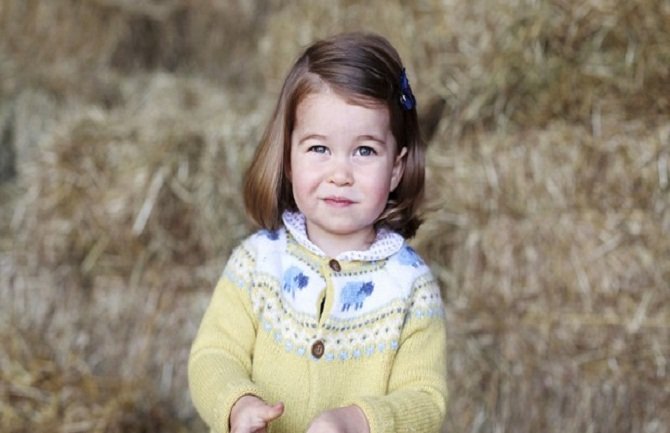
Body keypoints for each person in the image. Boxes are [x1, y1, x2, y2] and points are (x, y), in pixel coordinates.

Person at [188, 32, 448, 433]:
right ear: (288, 159)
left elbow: (425, 398)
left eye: (364, 151)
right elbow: (214, 354)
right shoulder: (257, 264)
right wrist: (238, 404)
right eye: (318, 149)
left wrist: (359, 421)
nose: (340, 175)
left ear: (396, 167)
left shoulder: (411, 288)